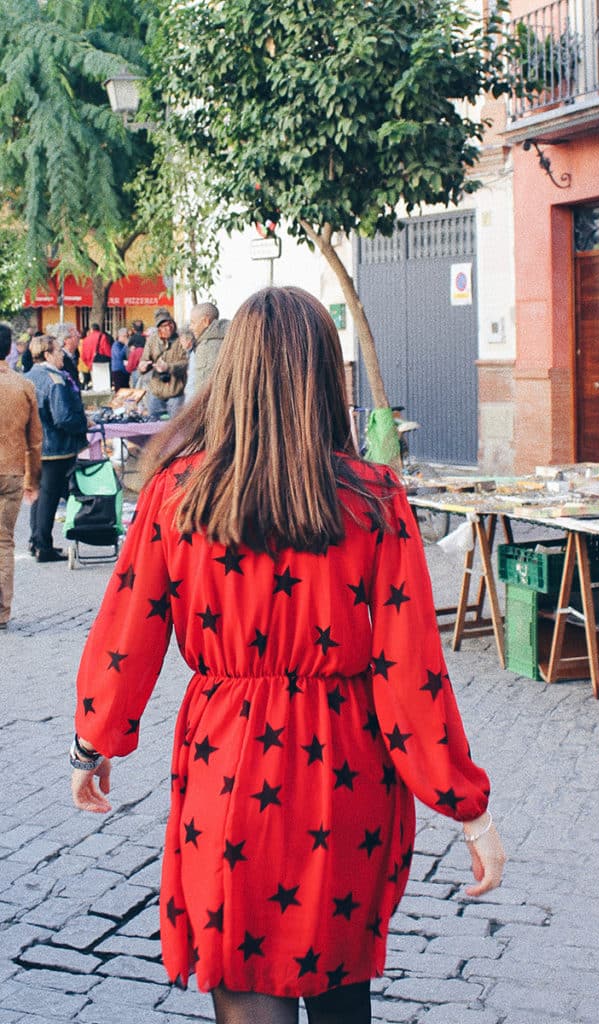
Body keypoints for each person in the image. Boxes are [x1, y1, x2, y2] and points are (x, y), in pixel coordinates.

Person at [70, 287, 505, 1024]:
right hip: (345, 770)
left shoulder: (177, 493)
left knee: (241, 965)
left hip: (226, 765)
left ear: (231, 371)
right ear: (322, 378)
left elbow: (126, 633)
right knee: (341, 982)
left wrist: (94, 742)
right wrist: (467, 808)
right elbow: (410, 669)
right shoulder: (372, 497)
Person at [25, 335, 88, 563]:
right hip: (55, 448)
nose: (62, 355)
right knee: (49, 498)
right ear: (47, 354)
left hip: (34, 447)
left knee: (39, 495)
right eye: (58, 351)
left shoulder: (27, 377)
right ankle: (44, 546)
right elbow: (63, 417)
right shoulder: (55, 380)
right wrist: (83, 424)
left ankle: (36, 541)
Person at [0, 324, 42, 628]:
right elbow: (35, 441)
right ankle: (2, 611)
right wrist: (33, 480)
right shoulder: (23, 385)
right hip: (13, 471)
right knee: (3, 542)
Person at [137, 309, 188, 419]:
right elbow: (144, 359)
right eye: (164, 326)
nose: (168, 328)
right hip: (155, 391)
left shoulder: (181, 339)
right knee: (153, 426)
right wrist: (142, 366)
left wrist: (169, 367)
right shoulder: (152, 340)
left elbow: (186, 363)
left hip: (176, 392)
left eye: (170, 324)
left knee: (175, 427)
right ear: (158, 328)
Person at [188, 302, 225, 393]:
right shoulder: (226, 337)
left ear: (205, 321)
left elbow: (202, 388)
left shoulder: (207, 346)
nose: (190, 327)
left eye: (193, 323)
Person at [81, 322, 112, 392]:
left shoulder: (85, 340)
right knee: (105, 387)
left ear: (91, 330)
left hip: (92, 365)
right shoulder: (102, 337)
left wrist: (89, 365)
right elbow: (107, 351)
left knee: (96, 387)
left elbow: (83, 356)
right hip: (103, 364)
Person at [110, 327, 130, 392]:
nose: (126, 338)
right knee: (119, 391)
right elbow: (119, 356)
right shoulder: (116, 345)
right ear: (120, 336)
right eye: (125, 336)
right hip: (118, 371)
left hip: (125, 371)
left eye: (127, 336)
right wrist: (126, 346)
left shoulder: (123, 345)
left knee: (126, 391)